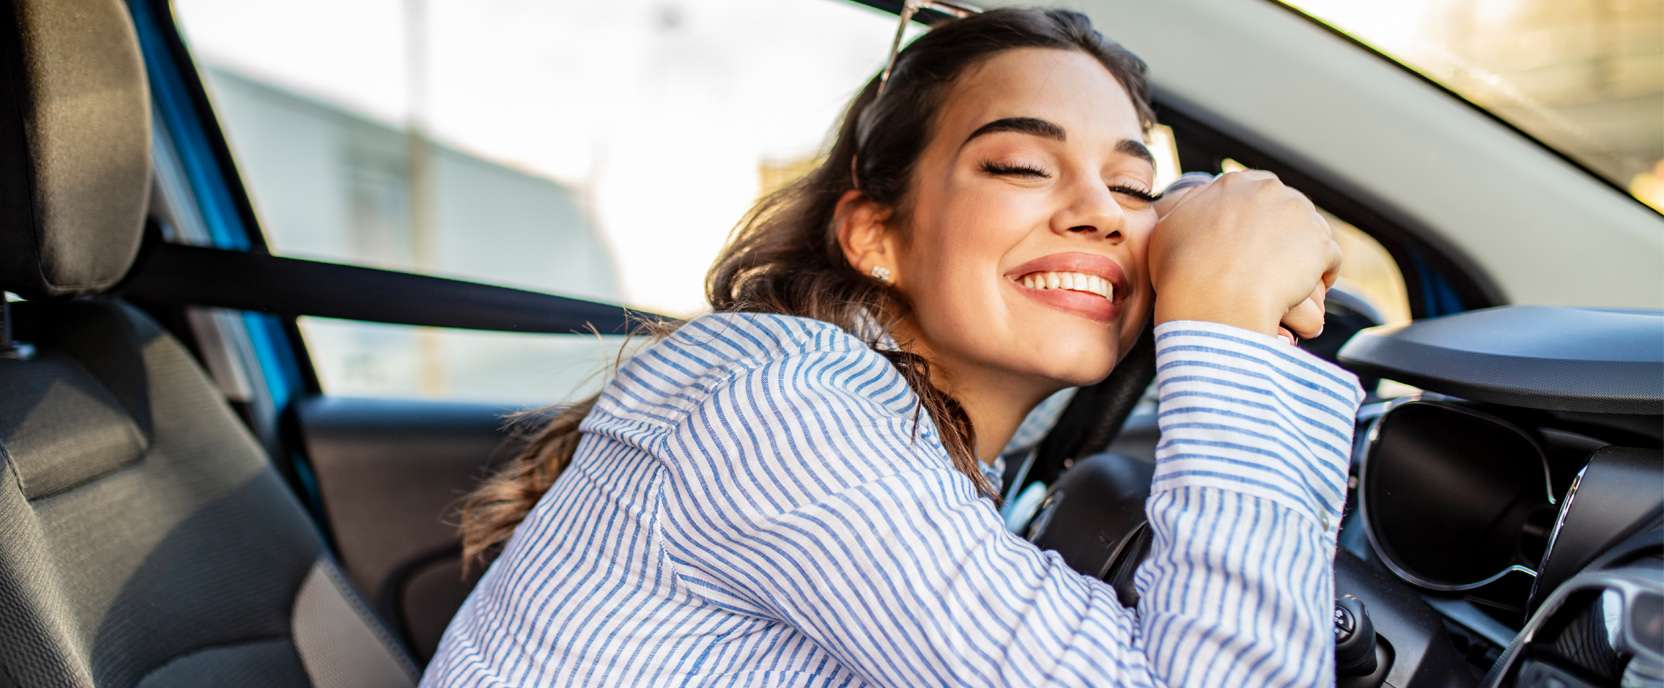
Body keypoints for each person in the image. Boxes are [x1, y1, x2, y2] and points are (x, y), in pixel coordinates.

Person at [424, 7, 1356, 686]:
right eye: (1022, 167)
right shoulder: (782, 409)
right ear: (876, 236)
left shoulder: (920, 437)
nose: (1098, 213)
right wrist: (1226, 326)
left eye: (1133, 186)